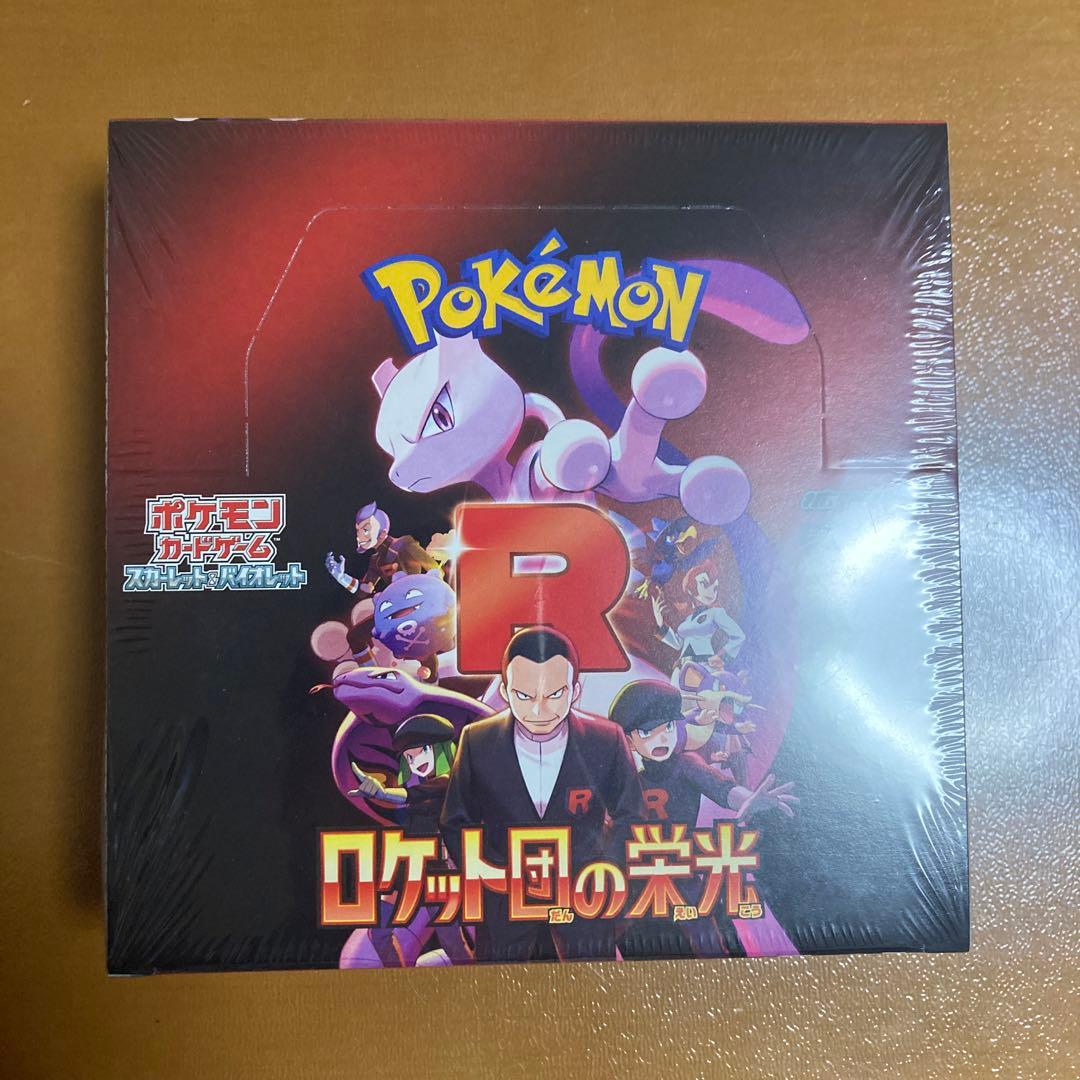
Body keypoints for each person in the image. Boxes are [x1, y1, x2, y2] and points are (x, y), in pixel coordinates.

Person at [440, 627, 644, 962]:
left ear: (575, 691)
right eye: (523, 695)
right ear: (504, 690)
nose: (539, 710)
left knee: (592, 988)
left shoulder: (606, 739)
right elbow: (455, 820)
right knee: (500, 988)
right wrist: (490, 875)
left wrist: (605, 872)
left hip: (584, 893)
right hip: (504, 896)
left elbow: (632, 814)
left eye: (554, 694)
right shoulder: (477, 740)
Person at [610, 679, 796, 958]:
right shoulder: (625, 777)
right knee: (596, 930)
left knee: (706, 936)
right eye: (647, 732)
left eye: (667, 727)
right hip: (632, 871)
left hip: (678, 867)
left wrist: (748, 799)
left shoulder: (685, 764)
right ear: (629, 741)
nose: (661, 739)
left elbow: (719, 786)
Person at [341, 714, 472, 967]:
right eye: (409, 758)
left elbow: (412, 794)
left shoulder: (449, 782)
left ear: (441, 749)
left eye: (421, 752)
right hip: (407, 863)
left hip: (438, 868)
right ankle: (399, 981)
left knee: (452, 941)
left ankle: (475, 982)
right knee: (379, 933)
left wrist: (383, 793)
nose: (416, 761)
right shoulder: (425, 786)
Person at [325, 501, 435, 596]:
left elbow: (434, 568)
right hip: (400, 604)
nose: (359, 536)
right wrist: (342, 578)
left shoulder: (404, 544)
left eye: (366, 530)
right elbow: (365, 589)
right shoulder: (376, 560)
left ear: (383, 533)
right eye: (358, 530)